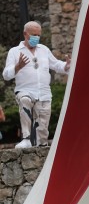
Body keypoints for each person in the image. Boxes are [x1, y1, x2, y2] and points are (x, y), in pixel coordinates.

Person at [2, 21, 71, 149]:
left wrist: (66, 66)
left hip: (44, 93)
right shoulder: (14, 51)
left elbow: (56, 65)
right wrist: (18, 66)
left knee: (42, 134)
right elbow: (6, 75)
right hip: (25, 90)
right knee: (25, 100)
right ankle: (26, 138)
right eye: (33, 35)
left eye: (38, 35)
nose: (36, 38)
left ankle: (41, 148)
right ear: (25, 34)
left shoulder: (44, 49)